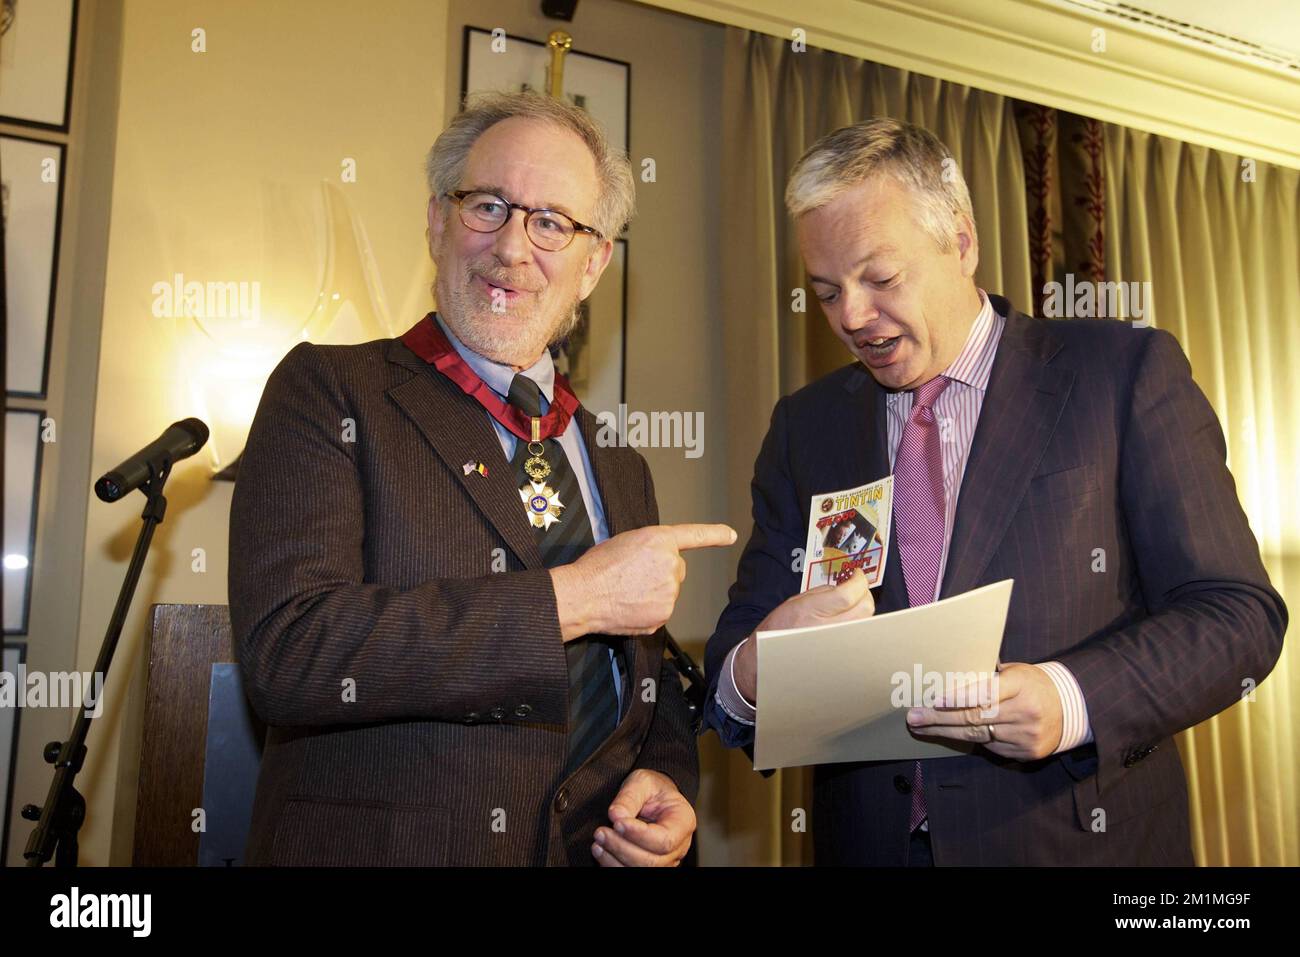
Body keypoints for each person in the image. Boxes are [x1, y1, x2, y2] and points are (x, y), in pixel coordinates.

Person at [703, 117, 1287, 866]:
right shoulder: (805, 429)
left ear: (963, 242)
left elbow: (1237, 614)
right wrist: (759, 668)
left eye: (880, 279)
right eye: (825, 291)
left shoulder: (1121, 376)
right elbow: (736, 662)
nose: (850, 316)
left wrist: (1071, 696)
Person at [230, 91, 734, 867]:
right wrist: (573, 598)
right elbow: (290, 653)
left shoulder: (619, 464)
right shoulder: (329, 391)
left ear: (594, 262)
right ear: (437, 220)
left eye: (552, 223)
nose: (512, 247)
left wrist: (664, 772)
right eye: (488, 205)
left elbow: (645, 674)